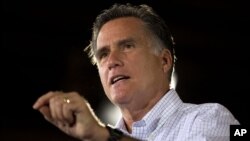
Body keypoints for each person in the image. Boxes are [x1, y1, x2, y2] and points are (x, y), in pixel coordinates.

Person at [33, 3, 240, 141]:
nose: (112, 61)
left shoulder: (211, 119)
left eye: (127, 46)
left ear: (165, 61)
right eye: (103, 54)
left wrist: (105, 135)